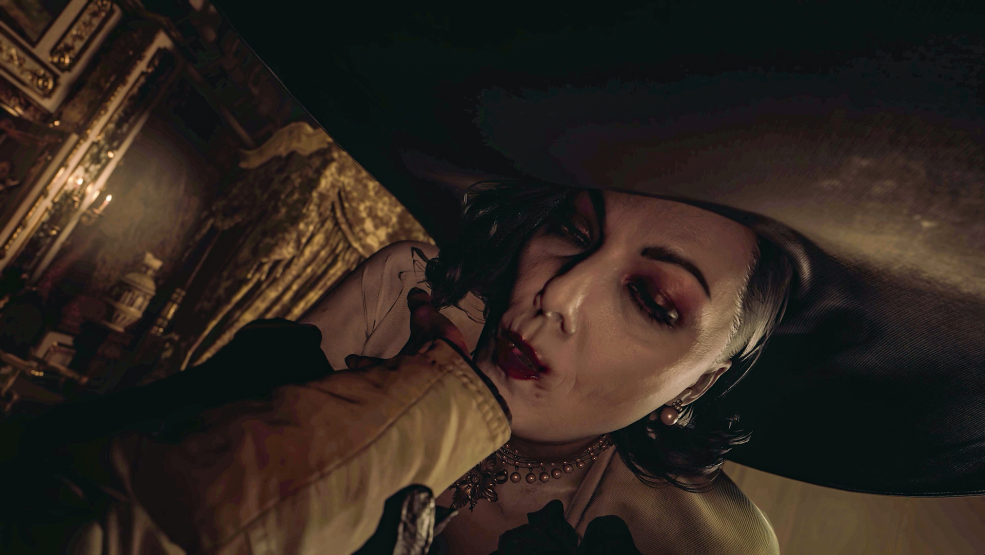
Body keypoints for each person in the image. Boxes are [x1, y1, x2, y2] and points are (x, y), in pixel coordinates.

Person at [301, 180, 794, 554]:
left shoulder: (706, 546)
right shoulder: (405, 294)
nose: (558, 294)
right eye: (574, 231)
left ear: (696, 385)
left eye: (650, 299)